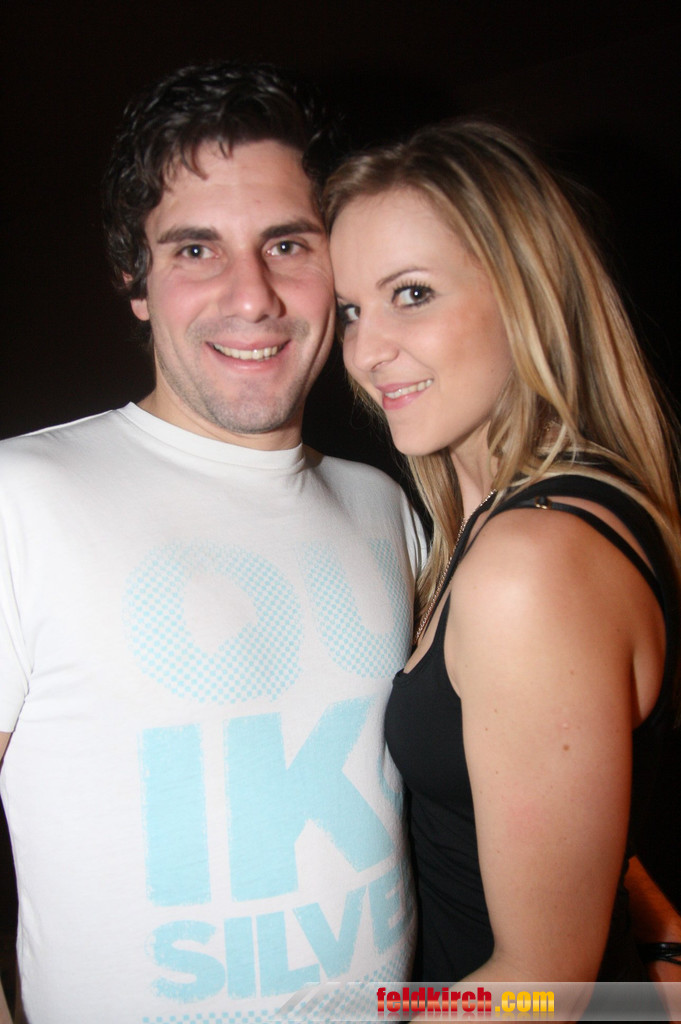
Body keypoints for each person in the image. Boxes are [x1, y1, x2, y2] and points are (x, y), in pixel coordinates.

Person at [0, 62, 424, 1023]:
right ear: (135, 280)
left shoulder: (386, 504)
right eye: (195, 249)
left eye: (287, 243)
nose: (252, 296)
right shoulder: (20, 500)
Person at [325, 119, 681, 991]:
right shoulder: (513, 524)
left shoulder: (529, 563)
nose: (366, 352)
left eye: (411, 293)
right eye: (350, 310)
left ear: (526, 292)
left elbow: (543, 987)